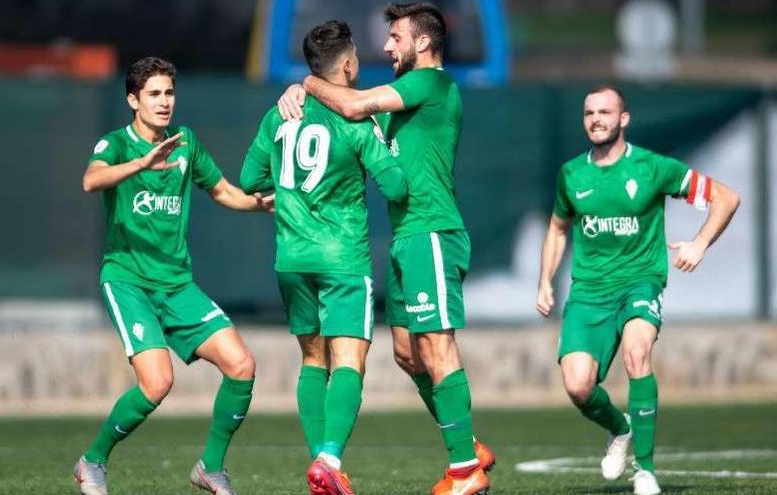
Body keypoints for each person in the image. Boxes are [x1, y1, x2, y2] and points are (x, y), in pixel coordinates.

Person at [278, 4, 495, 494]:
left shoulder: (430, 83)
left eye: (395, 37)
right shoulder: (407, 96)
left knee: (437, 348)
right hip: (405, 238)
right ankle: (471, 444)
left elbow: (353, 106)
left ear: (422, 43)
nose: (387, 46)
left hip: (431, 233)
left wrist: (307, 83)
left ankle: (465, 471)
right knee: (407, 354)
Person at [73, 56, 273, 495]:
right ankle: (92, 461)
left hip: (177, 284)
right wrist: (142, 165)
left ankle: (210, 468)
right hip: (128, 280)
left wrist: (262, 204)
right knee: (158, 382)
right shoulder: (116, 145)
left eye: (169, 93)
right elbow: (91, 180)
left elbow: (222, 191)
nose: (164, 102)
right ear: (133, 100)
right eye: (154, 94)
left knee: (241, 365)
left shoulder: (186, 143)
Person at [536, 84, 740, 495]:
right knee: (577, 386)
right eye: (589, 113)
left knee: (636, 351)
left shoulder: (652, 168)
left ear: (623, 119)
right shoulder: (571, 174)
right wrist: (544, 281)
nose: (596, 119)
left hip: (639, 283)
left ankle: (644, 469)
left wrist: (699, 243)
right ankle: (620, 428)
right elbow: (558, 228)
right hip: (589, 292)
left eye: (605, 112)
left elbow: (726, 197)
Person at [241, 20, 408, 495]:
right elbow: (394, 186)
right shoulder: (357, 119)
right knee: (349, 360)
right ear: (350, 64)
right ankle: (330, 457)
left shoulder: (281, 114)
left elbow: (251, 177)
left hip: (292, 257)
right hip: (342, 258)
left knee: (314, 360)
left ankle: (321, 467)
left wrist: (287, 191)